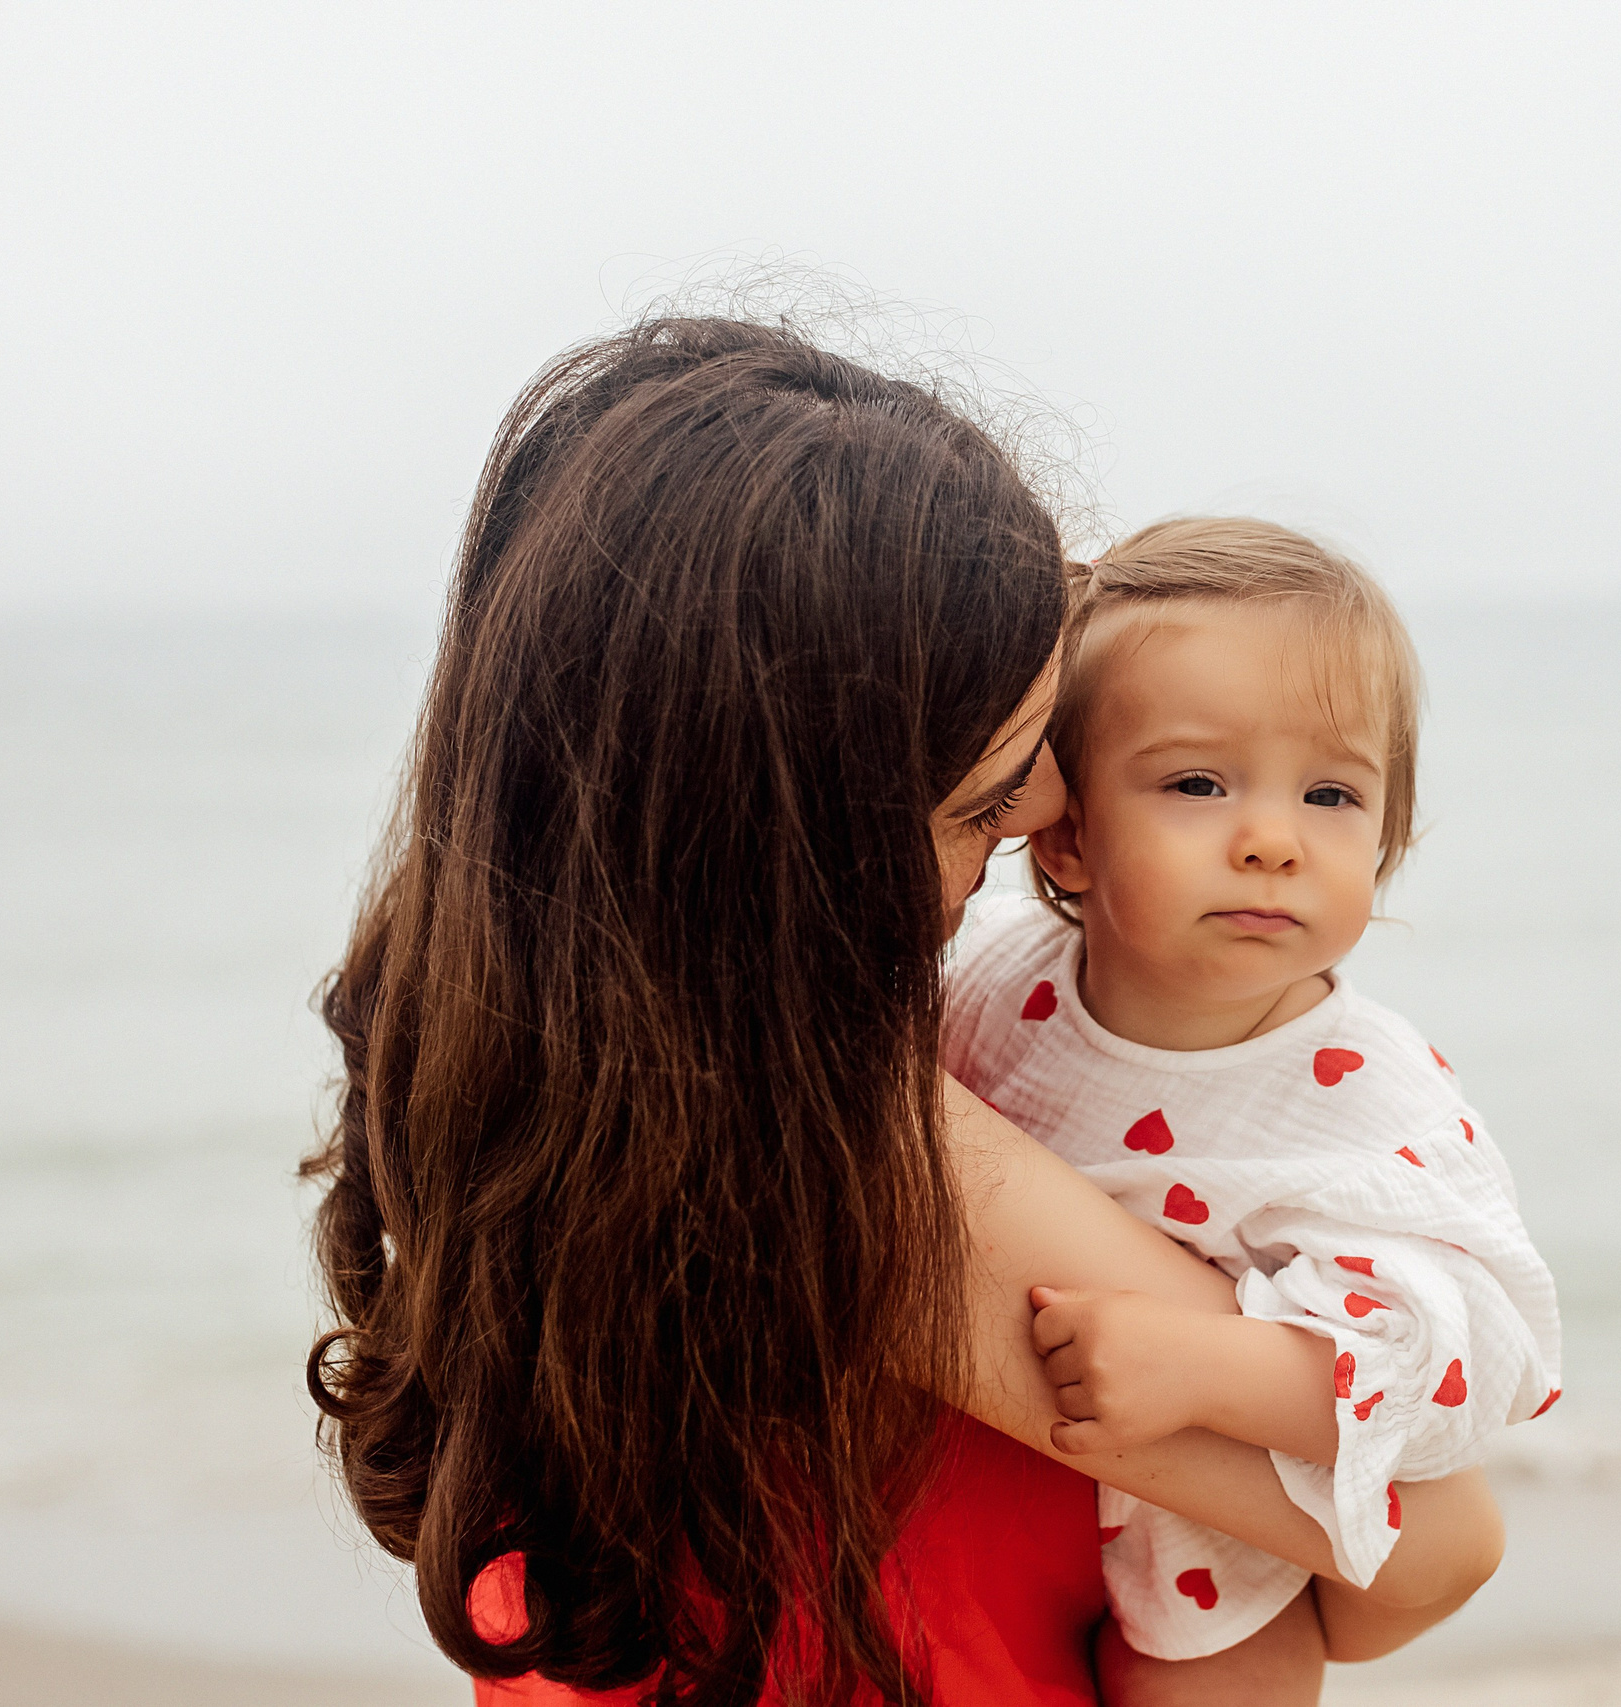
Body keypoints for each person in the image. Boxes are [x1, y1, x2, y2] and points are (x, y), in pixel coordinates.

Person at [302, 317, 1505, 1707]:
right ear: (797, 825)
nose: (1048, 806)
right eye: (985, 800)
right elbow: (1436, 1540)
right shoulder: (865, 1160)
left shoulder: (474, 1065)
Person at [943, 518, 1563, 1705]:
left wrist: (1209, 1368)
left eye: (1331, 794)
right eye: (1196, 783)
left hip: (1221, 1567)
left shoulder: (1366, 1097)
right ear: (1066, 835)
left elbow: (1458, 1369)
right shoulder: (997, 980)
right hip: (997, 1494)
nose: (1273, 841)